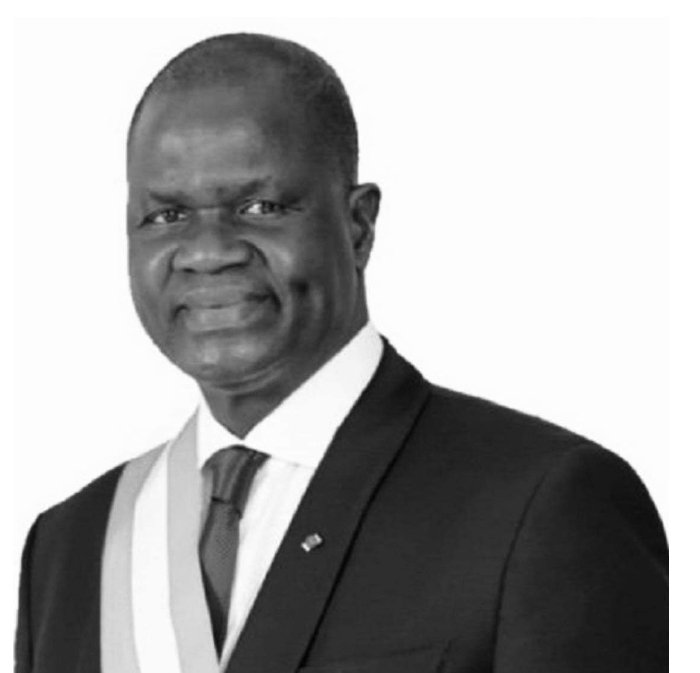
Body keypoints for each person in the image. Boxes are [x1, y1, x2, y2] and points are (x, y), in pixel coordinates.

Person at [15, 33, 667, 673]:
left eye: (260, 206)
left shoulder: (543, 504)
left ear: (358, 226)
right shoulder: (72, 546)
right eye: (166, 216)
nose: (208, 251)